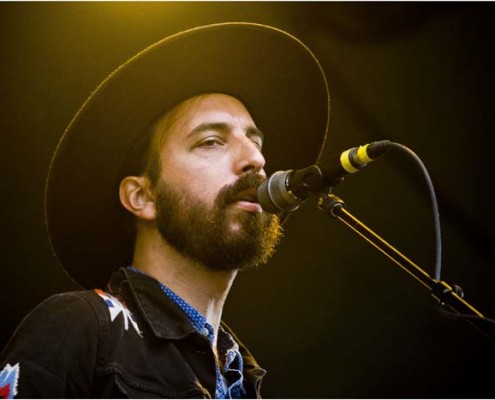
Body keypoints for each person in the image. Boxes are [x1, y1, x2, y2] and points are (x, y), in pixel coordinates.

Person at [0, 22, 329, 398]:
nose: (255, 159)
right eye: (210, 142)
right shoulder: (81, 327)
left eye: (256, 144)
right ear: (142, 197)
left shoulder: (242, 376)